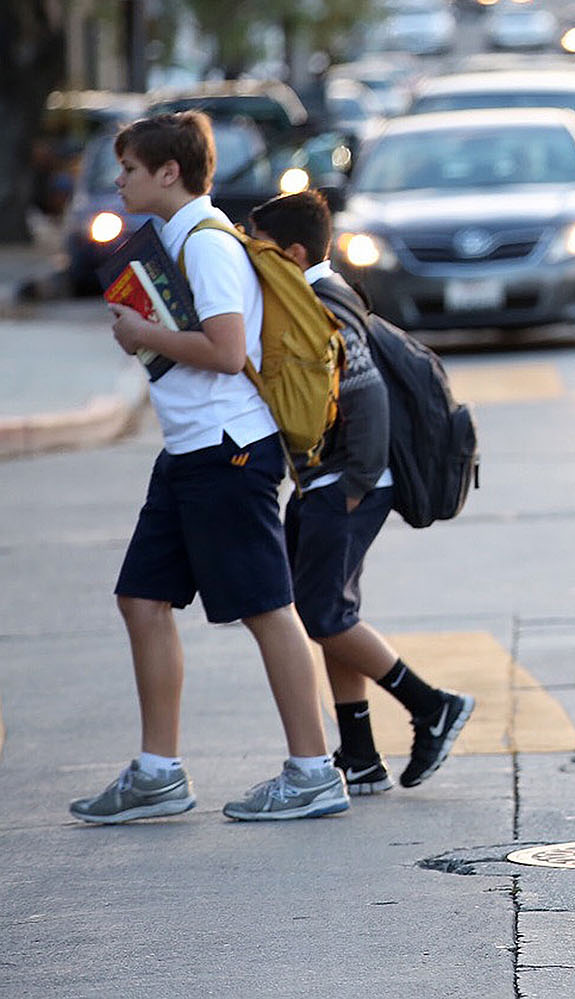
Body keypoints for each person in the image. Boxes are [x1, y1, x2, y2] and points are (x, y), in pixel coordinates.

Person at [70, 112, 348, 824]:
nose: (119, 180)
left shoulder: (206, 242)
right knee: (142, 598)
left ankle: (315, 770)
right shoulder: (174, 239)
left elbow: (227, 351)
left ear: (169, 172)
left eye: (129, 168)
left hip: (230, 450)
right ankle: (158, 771)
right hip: (190, 450)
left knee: (267, 608)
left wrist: (144, 333)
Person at [247, 190, 476, 795]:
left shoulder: (324, 304)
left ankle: (432, 706)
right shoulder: (318, 296)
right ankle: (361, 754)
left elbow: (367, 398)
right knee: (329, 612)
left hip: (347, 483)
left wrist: (349, 487)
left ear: (294, 253)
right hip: (330, 483)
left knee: (322, 614)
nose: (254, 261)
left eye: (262, 250)